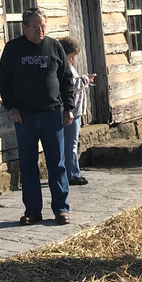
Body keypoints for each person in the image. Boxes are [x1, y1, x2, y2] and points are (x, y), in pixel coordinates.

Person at [0, 7, 75, 225]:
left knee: (56, 164)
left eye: (43, 26)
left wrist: (69, 107)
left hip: (52, 115)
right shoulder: (13, 49)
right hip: (25, 117)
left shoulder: (54, 46)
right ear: (24, 27)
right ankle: (32, 211)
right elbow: (3, 81)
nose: (40, 31)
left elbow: (66, 79)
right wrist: (11, 108)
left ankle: (61, 209)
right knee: (28, 164)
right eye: (35, 27)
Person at [58, 35, 94, 186]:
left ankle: (71, 172)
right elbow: (71, 86)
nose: (72, 60)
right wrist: (86, 79)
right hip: (70, 111)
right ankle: (72, 174)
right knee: (70, 144)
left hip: (76, 110)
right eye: (71, 57)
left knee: (70, 143)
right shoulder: (61, 69)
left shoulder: (69, 67)